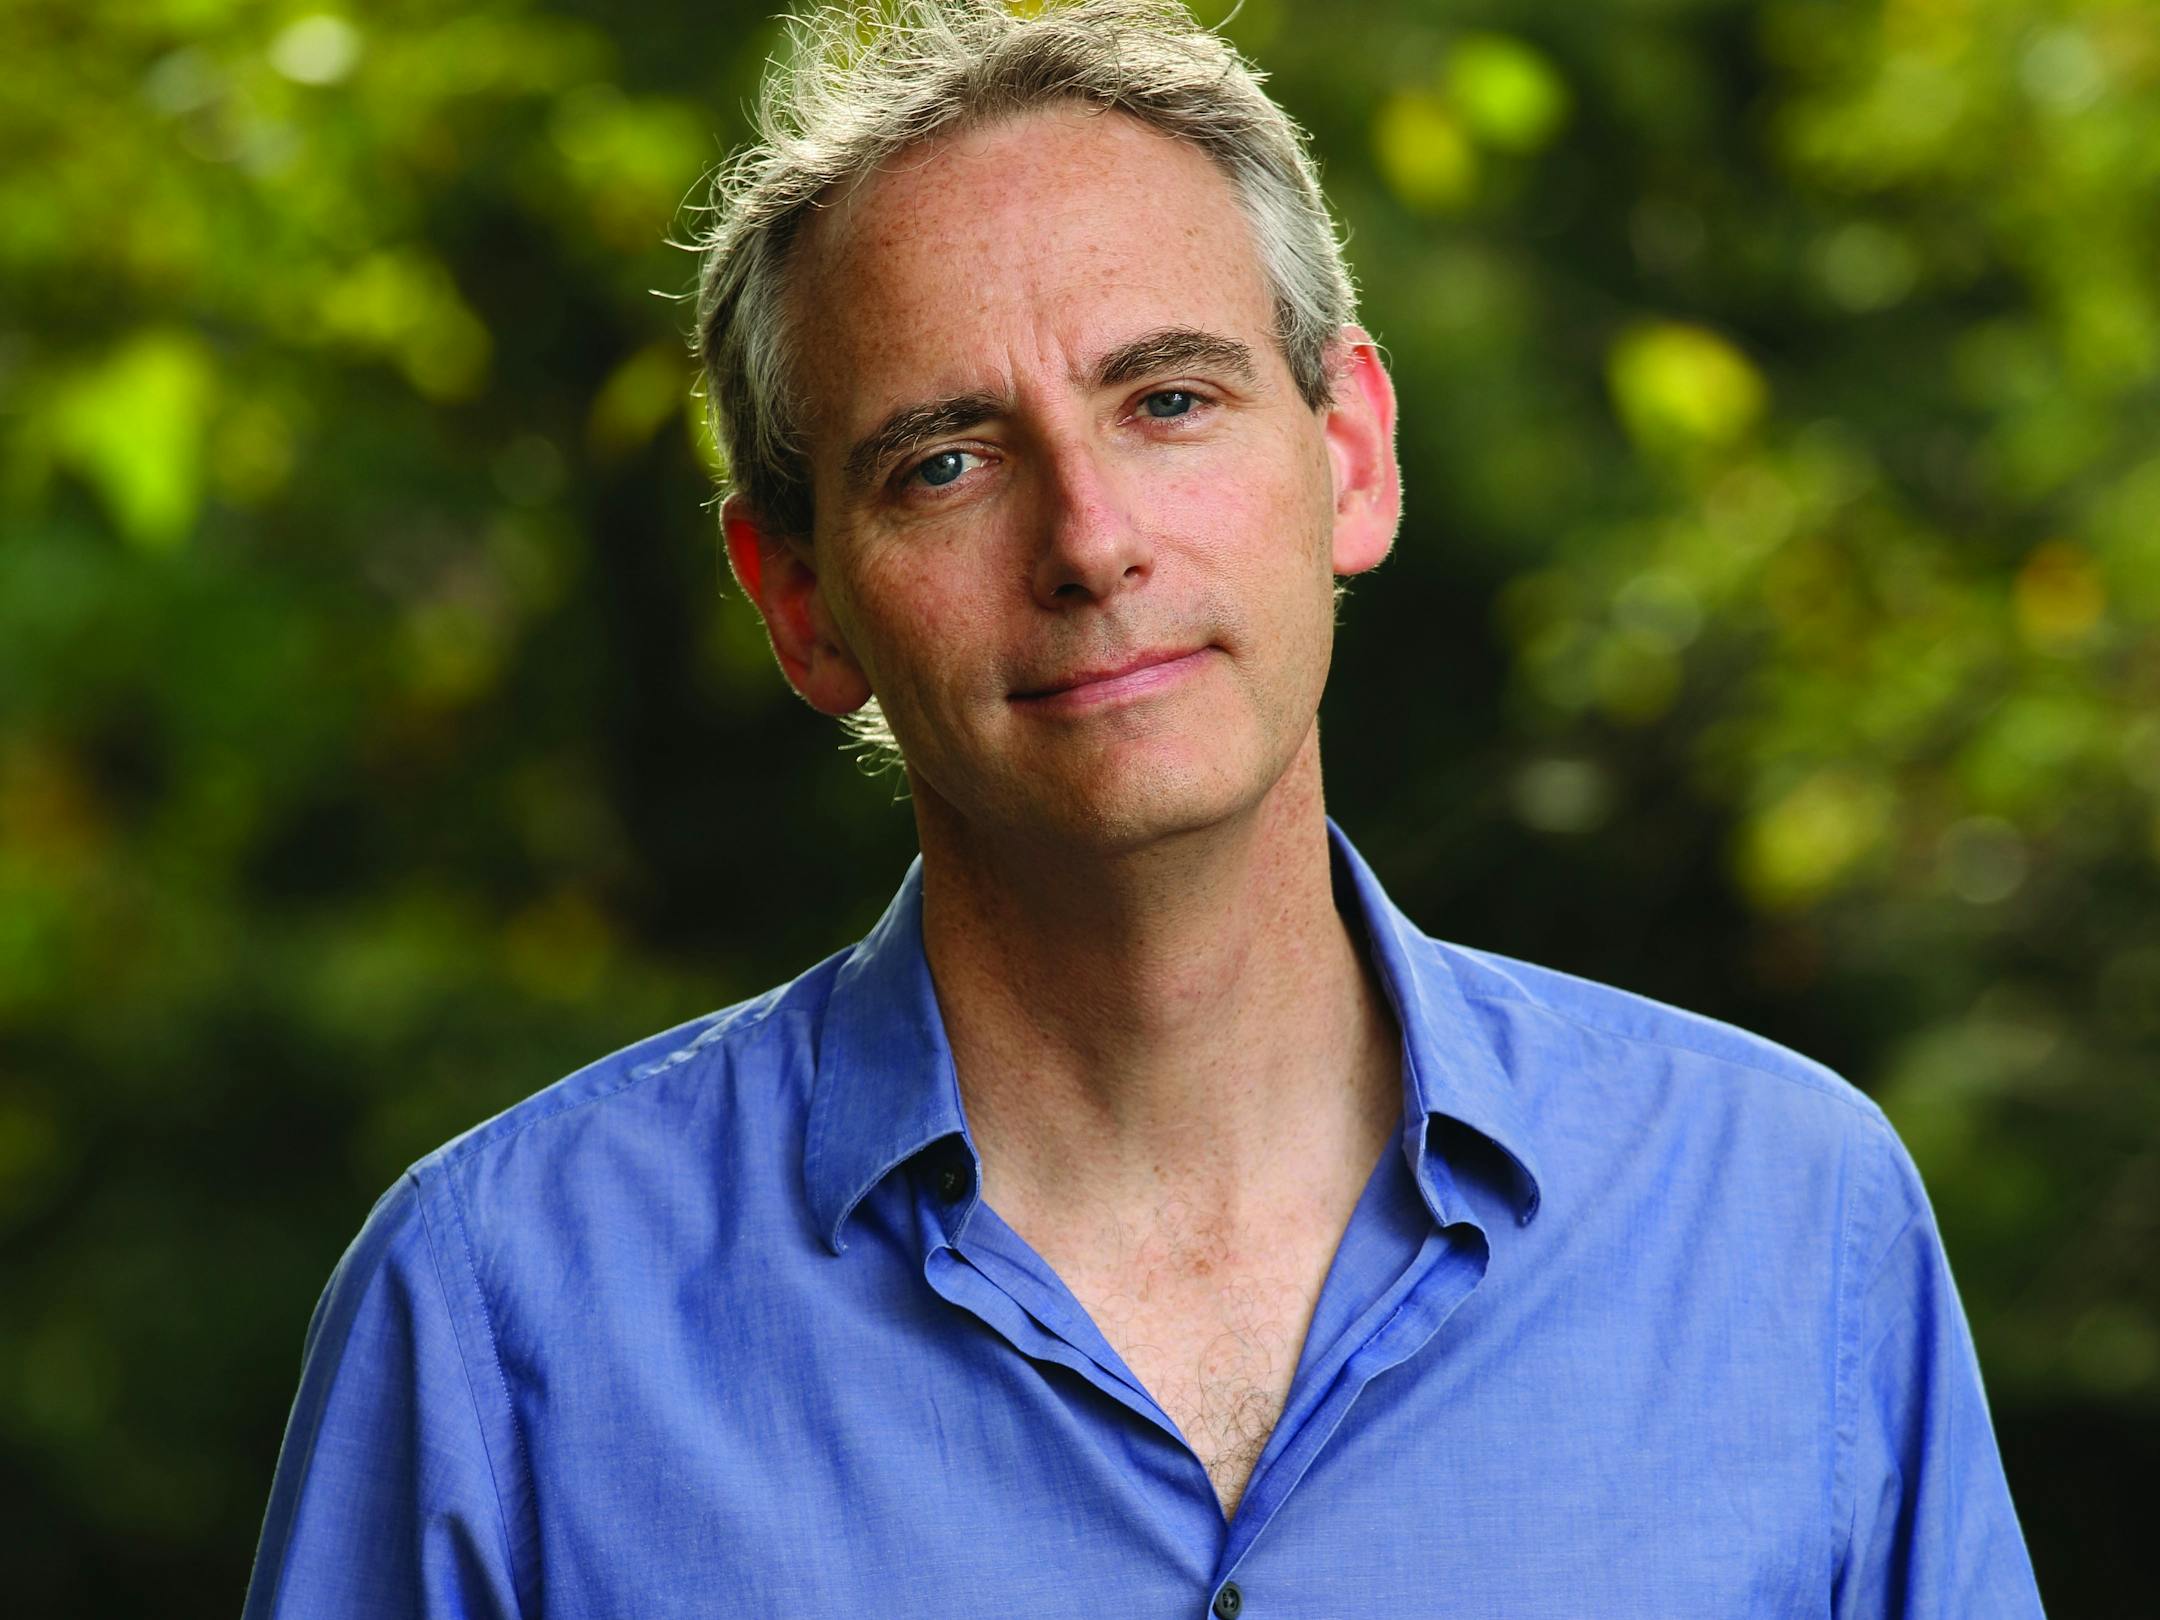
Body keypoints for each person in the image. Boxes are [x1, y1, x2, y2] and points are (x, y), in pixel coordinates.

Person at [242, 2, 2046, 1614]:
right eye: (945, 462)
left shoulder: (1791, 1225)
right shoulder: (495, 1324)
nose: (1091, 541)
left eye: (1169, 400)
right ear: (798, 602)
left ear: (1350, 456)